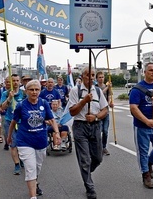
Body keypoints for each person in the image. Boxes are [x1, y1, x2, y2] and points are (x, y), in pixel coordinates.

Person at [7, 79, 61, 199]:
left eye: (37, 89)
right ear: (26, 91)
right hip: (24, 141)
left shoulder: (44, 103)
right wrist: (9, 136)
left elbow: (52, 120)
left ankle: (35, 183)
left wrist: (56, 133)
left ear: (40, 90)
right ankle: (33, 196)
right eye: (31, 89)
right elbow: (13, 121)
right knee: (30, 168)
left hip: (40, 141)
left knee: (37, 167)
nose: (34, 92)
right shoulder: (21, 105)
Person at [69, 67, 108, 199]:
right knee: (85, 160)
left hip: (95, 126)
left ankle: (86, 172)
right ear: (82, 76)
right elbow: (72, 112)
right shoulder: (75, 90)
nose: (90, 78)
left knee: (97, 158)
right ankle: (90, 188)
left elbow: (105, 110)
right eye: (87, 75)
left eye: (93, 75)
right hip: (80, 127)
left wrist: (96, 116)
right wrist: (84, 101)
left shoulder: (97, 91)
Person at [0, 74, 26, 175]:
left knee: (22, 143)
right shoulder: (6, 94)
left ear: (20, 82)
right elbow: (2, 107)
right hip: (9, 121)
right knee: (13, 143)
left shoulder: (24, 94)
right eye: (13, 81)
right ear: (10, 82)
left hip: (21, 122)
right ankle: (16, 164)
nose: (15, 83)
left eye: (17, 80)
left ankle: (22, 159)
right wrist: (9, 98)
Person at [95, 71, 114, 156]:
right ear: (97, 79)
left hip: (106, 111)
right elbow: (100, 94)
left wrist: (110, 103)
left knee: (105, 131)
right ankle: (98, 147)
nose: (101, 79)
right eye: (99, 77)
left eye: (102, 77)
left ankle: (104, 147)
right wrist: (107, 87)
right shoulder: (95, 87)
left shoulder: (107, 87)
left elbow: (109, 96)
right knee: (98, 131)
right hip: (98, 111)